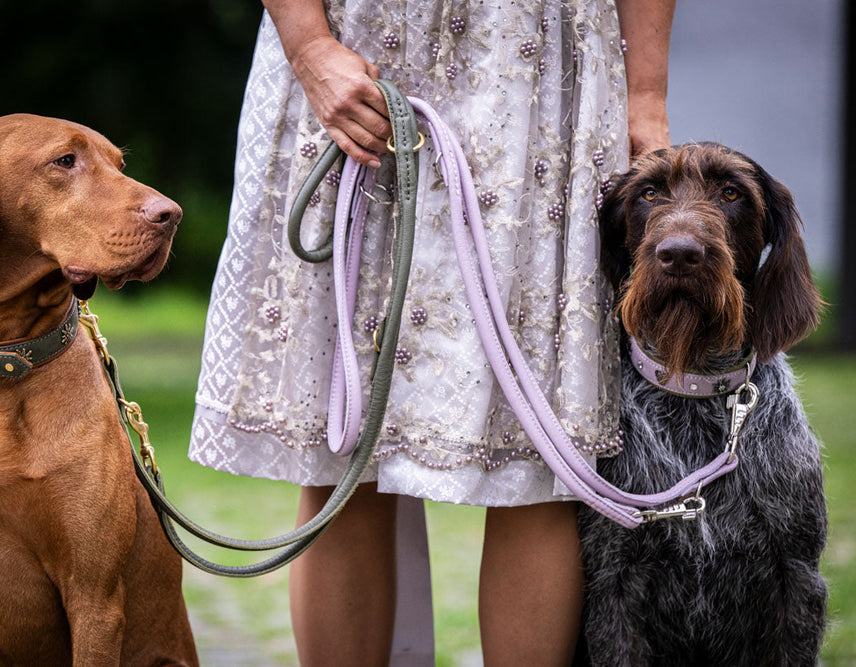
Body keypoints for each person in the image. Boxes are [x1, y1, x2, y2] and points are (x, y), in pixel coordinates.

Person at [189, 0, 674, 664]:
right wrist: (309, 48)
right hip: (355, 54)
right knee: (343, 445)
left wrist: (646, 96)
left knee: (537, 450)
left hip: (539, 66)